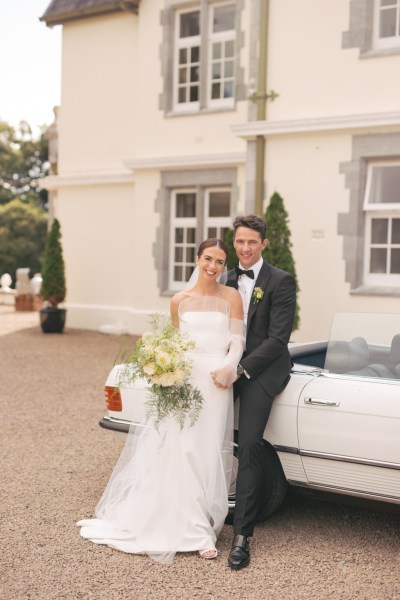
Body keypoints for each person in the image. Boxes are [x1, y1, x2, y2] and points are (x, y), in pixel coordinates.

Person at [77, 238, 244, 563]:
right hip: (183, 384)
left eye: (220, 262)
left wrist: (228, 367)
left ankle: (200, 526)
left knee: (205, 452)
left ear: (225, 266)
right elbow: (174, 343)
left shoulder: (231, 297)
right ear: (197, 259)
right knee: (179, 451)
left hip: (215, 382)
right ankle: (191, 529)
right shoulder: (179, 301)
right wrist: (165, 368)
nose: (213, 266)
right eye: (208, 259)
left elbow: (237, 340)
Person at [225, 215, 296, 570]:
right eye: (240, 241)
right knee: (202, 435)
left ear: (264, 244)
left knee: (250, 444)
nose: (246, 248)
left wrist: (239, 368)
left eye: (252, 242)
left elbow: (277, 339)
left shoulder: (281, 281)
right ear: (234, 242)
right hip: (225, 368)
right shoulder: (222, 278)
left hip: (260, 371)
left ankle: (242, 536)